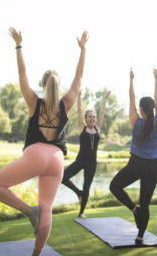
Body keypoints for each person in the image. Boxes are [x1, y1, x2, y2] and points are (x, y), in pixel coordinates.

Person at [0, 27, 88, 256]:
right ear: (57, 85)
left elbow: (22, 74)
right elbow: (78, 79)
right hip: (57, 160)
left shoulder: (34, 102)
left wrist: (19, 46)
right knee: (47, 208)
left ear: (43, 85)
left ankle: (29, 211)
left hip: (36, 155)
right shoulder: (66, 103)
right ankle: (36, 254)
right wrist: (83, 50)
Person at [109, 67, 157, 244]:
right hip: (152, 167)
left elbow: (131, 99)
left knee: (115, 186)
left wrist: (131, 80)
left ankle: (134, 210)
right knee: (146, 203)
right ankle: (140, 236)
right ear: (153, 109)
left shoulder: (136, 122)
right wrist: (156, 78)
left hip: (136, 165)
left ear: (140, 109)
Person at [62, 90, 110, 218]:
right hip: (80, 161)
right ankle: (79, 193)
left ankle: (81, 212)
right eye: (90, 117)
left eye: (94, 117)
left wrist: (104, 99)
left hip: (92, 164)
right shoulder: (81, 127)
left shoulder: (97, 128)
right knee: (63, 177)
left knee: (87, 186)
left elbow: (102, 113)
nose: (93, 119)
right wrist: (79, 96)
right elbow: (78, 111)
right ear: (85, 119)